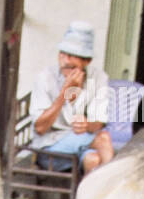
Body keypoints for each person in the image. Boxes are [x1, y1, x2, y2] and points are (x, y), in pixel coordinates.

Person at [30, 22, 114, 176]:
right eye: (62, 53)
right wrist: (64, 93)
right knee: (103, 139)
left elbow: (98, 124)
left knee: (93, 159)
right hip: (50, 149)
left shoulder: (98, 78)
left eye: (72, 55)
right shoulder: (44, 78)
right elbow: (40, 128)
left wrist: (87, 125)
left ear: (86, 61)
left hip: (79, 145)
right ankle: (112, 193)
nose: (65, 60)